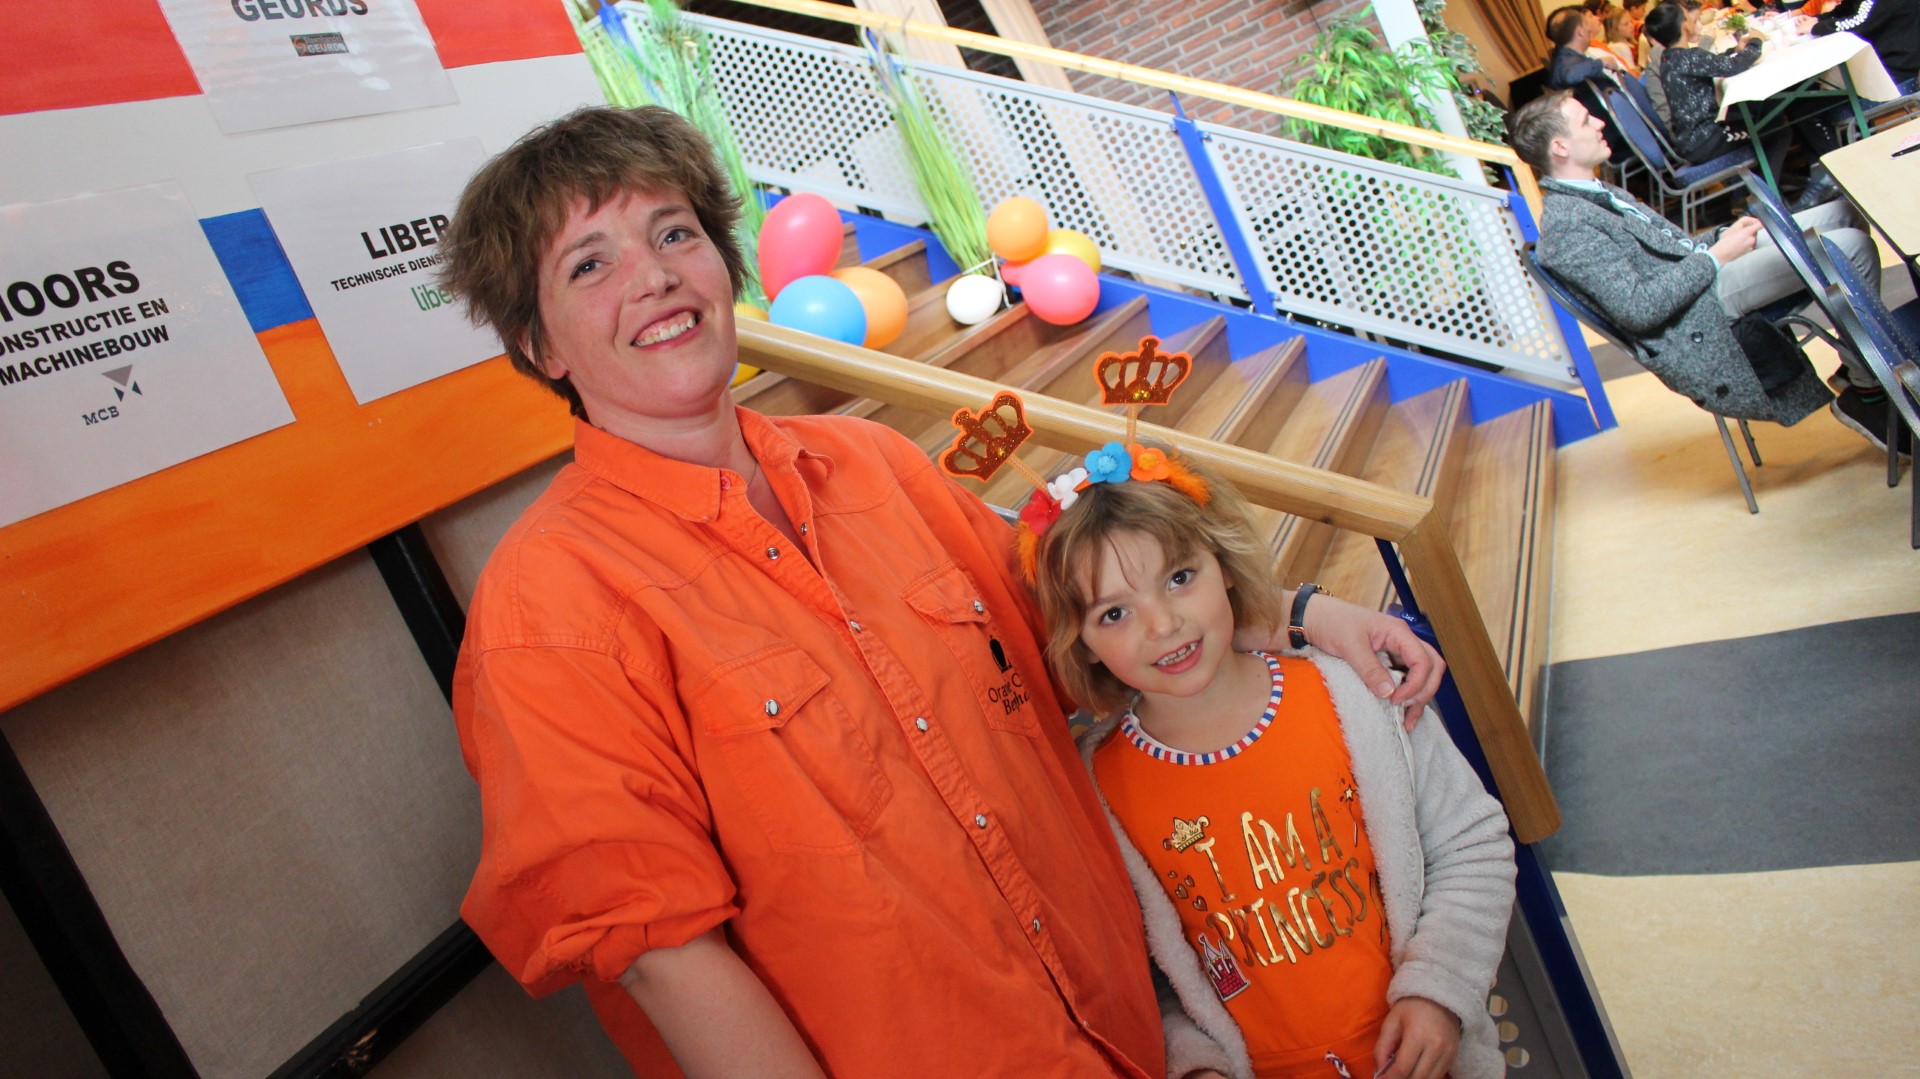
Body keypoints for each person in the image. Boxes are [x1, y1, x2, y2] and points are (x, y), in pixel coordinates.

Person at [436, 104, 1451, 1077]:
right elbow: (662, 955)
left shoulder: (871, 463)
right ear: (539, 343)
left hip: (1133, 1035)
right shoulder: (547, 607)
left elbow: (1088, 608)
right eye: (590, 264)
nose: (654, 276)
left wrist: (1301, 615)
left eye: (674, 233)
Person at [1022, 445, 1514, 1079]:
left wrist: (1438, 991)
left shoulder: (1355, 694)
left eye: (1179, 578)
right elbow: (1145, 974)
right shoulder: (1097, 789)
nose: (1163, 625)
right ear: (1082, 643)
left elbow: (1470, 844)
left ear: (1223, 565)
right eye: (1114, 613)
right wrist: (1196, 1064)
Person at [1512, 90, 1903, 445]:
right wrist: (1717, 256)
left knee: (1841, 213)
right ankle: (1868, 387)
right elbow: (1639, 309)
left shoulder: (1595, 193)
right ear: (1560, 147)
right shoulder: (1568, 226)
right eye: (1586, 121)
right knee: (1848, 248)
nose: (1600, 123)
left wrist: (1721, 237)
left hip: (1699, 284)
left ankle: (1859, 364)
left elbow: (1672, 250)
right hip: (1695, 319)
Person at [1642, 0, 1764, 163]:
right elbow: (1734, 66)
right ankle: (1766, 179)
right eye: (1687, 15)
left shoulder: (1669, 59)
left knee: (1759, 114)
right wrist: (1756, 41)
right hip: (1708, 140)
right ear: (1684, 26)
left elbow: (1710, 63)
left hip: (1692, 142)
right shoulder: (1689, 57)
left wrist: (1734, 51)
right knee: (1772, 127)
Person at [1545, 5, 1635, 163]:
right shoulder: (1564, 64)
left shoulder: (1568, 58)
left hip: (1619, 132)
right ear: (1580, 31)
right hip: (1620, 139)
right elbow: (1569, 75)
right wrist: (1601, 63)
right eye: (1585, 24)